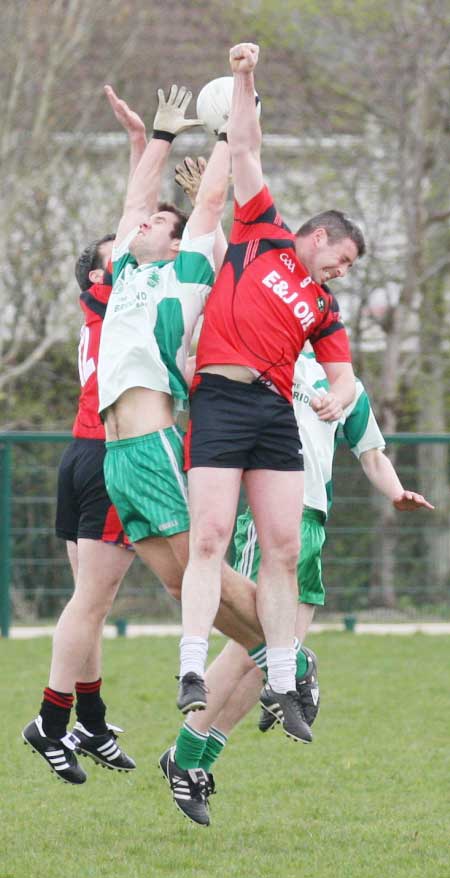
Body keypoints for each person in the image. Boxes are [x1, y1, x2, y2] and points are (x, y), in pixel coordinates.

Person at [178, 42, 366, 743]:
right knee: (210, 538)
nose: (340, 273)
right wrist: (244, 77)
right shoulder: (263, 233)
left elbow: (344, 372)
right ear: (317, 238)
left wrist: (338, 397)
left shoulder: (323, 306)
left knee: (283, 548)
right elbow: (248, 148)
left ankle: (285, 680)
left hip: (272, 412)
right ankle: (191, 666)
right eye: (340, 259)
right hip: (220, 400)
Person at [160, 346, 433, 826]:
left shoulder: (342, 384)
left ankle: (200, 759)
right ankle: (183, 754)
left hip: (312, 526)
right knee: (254, 648)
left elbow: (372, 453)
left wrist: (396, 492)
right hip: (269, 520)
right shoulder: (262, 365)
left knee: (273, 659)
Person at [21, 88, 150, 785]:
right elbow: (132, 218)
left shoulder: (101, 305)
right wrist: (143, 146)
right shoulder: (116, 294)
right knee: (91, 603)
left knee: (86, 604)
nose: (129, 244)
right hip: (108, 456)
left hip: (82, 452)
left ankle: (92, 723)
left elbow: (131, 218)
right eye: (120, 250)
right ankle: (50, 722)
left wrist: (139, 148)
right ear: (105, 272)